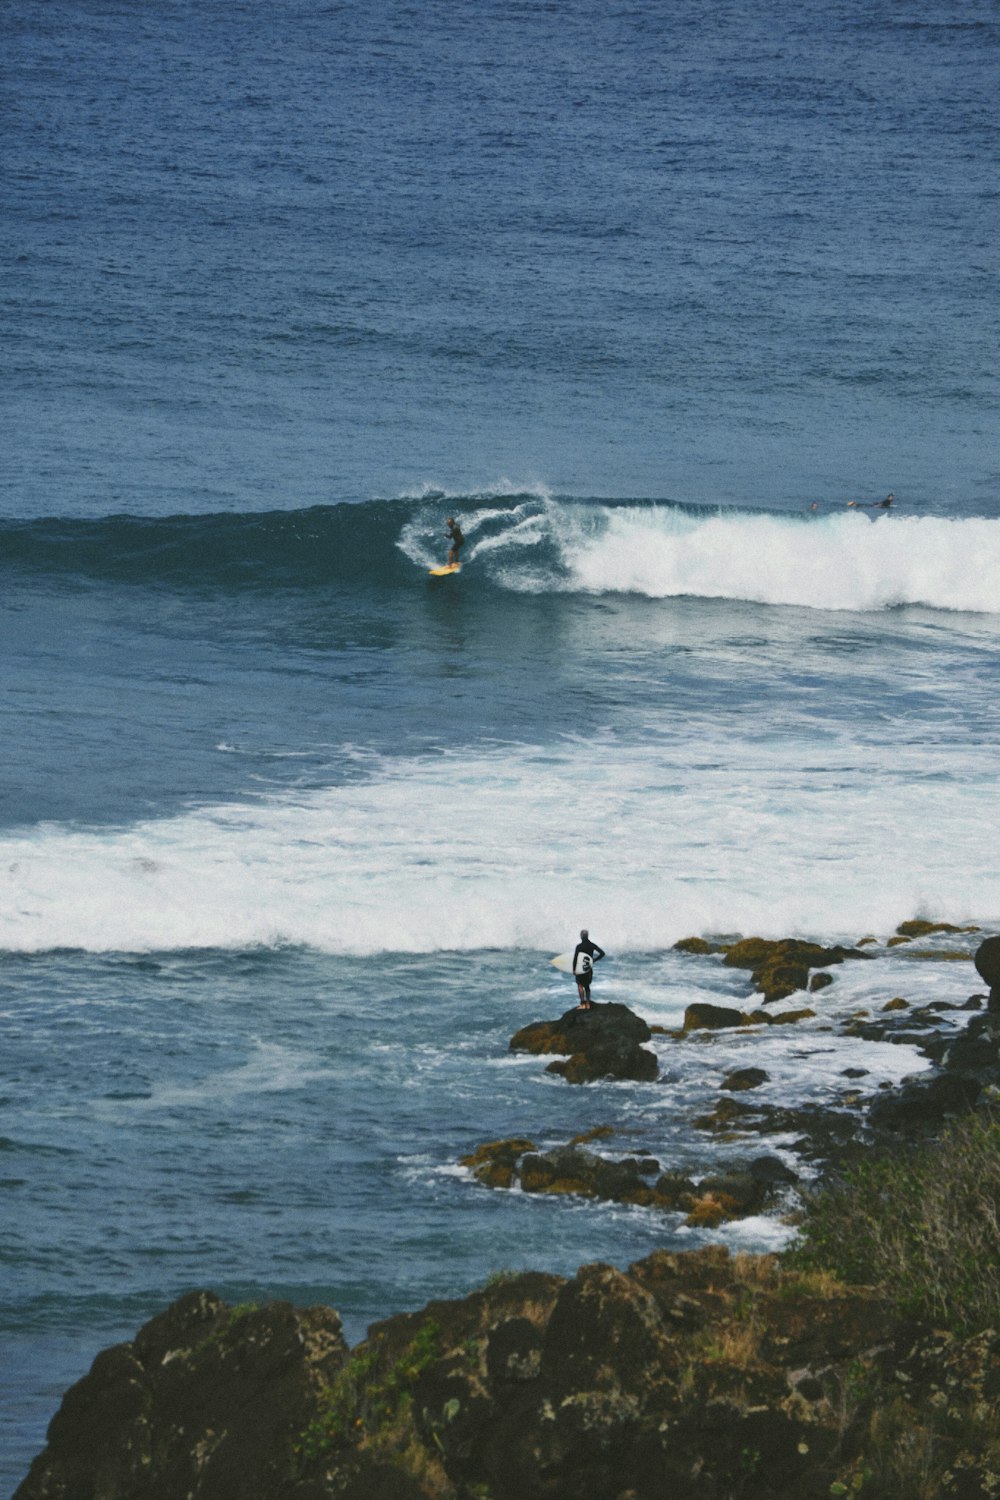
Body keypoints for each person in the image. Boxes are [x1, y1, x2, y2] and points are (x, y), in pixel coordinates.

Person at [572, 928, 606, 1009]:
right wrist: (594, 960)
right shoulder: (592, 945)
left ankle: (582, 1004)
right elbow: (602, 953)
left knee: (580, 985)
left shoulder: (579, 946)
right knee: (587, 986)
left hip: (580, 968)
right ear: (587, 936)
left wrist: (574, 969)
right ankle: (588, 1004)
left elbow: (575, 958)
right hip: (588, 968)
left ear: (581, 936)